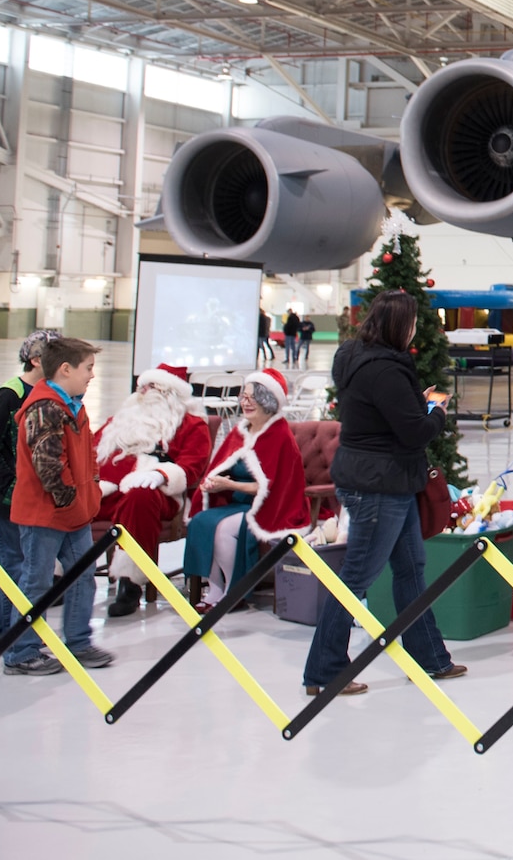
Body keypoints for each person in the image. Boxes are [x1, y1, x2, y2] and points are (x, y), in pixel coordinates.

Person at [304, 292, 466, 696]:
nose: (415, 329)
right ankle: (324, 673)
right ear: (400, 325)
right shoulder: (387, 370)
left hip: (383, 480)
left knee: (411, 566)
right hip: (380, 485)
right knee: (356, 577)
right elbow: (412, 432)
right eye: (412, 323)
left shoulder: (355, 358)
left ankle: (429, 658)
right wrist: (436, 411)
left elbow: (383, 416)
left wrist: (416, 403)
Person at [4, 337, 114, 675]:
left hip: (74, 513)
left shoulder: (73, 404)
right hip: (45, 514)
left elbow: (87, 457)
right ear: (65, 369)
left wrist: (89, 496)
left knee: (82, 578)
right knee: (36, 583)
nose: (92, 376)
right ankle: (21, 652)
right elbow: (48, 465)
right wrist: (70, 501)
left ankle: (78, 642)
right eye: (88, 368)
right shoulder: (45, 407)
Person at [94, 364, 214, 616]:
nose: (142, 392)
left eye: (151, 387)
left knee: (140, 497)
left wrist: (160, 474)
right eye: (141, 387)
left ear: (169, 393)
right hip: (109, 490)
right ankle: (56, 576)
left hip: (158, 494)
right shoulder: (120, 420)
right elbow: (91, 452)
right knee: (70, 498)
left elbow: (192, 467)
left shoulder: (191, 425)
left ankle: (131, 581)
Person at [185, 370, 310, 611]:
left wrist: (229, 485)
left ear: (267, 401)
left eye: (252, 397)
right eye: (243, 396)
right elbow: (220, 466)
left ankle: (235, 591)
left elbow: (273, 488)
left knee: (223, 530)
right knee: (201, 521)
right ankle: (215, 589)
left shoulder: (279, 435)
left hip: (273, 506)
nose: (245, 402)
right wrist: (214, 482)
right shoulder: (240, 431)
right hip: (238, 502)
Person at [0, 331, 58, 639]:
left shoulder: (51, 394)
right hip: (4, 498)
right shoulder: (9, 395)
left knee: (23, 565)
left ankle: (2, 626)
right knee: (14, 565)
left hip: (32, 498)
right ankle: (7, 633)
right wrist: (12, 483)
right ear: (36, 360)